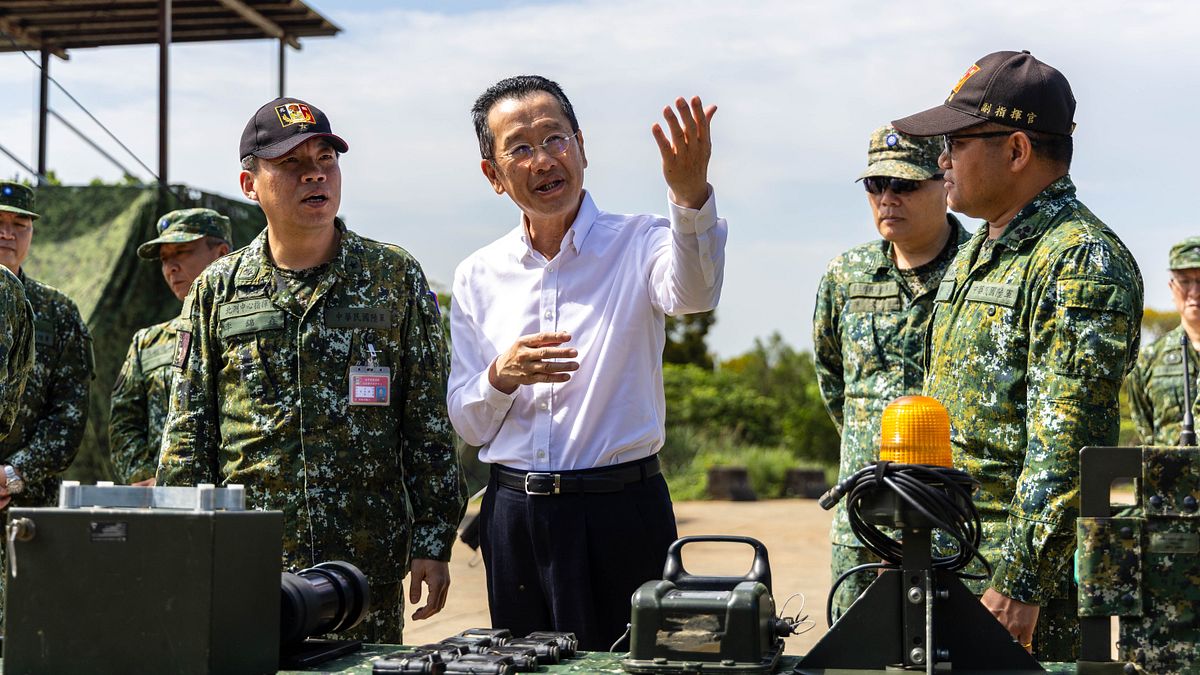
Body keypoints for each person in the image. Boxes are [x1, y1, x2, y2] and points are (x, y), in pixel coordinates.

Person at [156, 97, 466, 644]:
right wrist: (181, 544)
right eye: (292, 164)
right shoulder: (216, 290)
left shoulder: (392, 276)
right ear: (251, 185)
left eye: (326, 158)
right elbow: (188, 433)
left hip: (363, 564)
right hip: (248, 561)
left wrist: (434, 538)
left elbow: (427, 421)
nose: (315, 173)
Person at [448, 75, 727, 650]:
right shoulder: (478, 275)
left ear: (582, 146)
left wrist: (688, 194)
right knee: (524, 667)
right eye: (520, 148)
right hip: (514, 519)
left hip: (621, 512)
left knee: (633, 666)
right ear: (493, 175)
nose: (544, 159)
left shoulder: (640, 241)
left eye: (555, 139)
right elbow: (470, 424)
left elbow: (695, 293)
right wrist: (501, 376)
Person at [892, 50, 1144, 660]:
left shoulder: (1079, 260)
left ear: (1016, 150)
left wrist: (1020, 584)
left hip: (1014, 594)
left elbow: (1068, 442)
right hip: (951, 560)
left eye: (956, 141)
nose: (941, 159)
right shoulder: (985, 248)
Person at [813, 125, 969, 620]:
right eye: (875, 186)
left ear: (944, 184)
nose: (887, 199)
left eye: (904, 185)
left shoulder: (979, 271)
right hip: (863, 516)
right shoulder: (846, 276)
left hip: (950, 518)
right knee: (853, 659)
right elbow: (832, 378)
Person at [109, 208, 232, 485]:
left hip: (236, 498)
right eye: (165, 259)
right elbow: (124, 422)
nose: (170, 267)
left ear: (221, 253)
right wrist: (143, 478)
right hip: (162, 502)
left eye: (182, 252)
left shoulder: (251, 332)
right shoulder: (148, 343)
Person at [0, 181, 93, 509]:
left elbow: (69, 411)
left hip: (30, 505)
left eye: (19, 225)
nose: (7, 233)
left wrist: (15, 473)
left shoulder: (58, 312)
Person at [1128, 237, 1200, 446]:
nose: (1194, 292)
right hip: (1170, 478)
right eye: (1185, 281)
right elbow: (1147, 433)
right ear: (1172, 287)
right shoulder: (1150, 359)